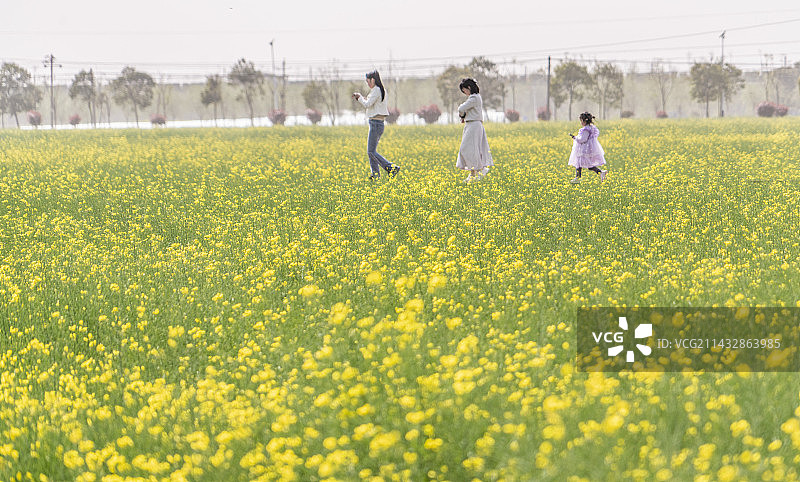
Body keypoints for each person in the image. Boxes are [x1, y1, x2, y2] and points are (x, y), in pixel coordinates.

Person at [352, 71, 400, 180]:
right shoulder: (381, 90)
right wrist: (362, 97)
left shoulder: (376, 90)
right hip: (378, 124)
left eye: (368, 81)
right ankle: (375, 175)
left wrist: (359, 97)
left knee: (371, 151)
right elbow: (371, 103)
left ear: (373, 80)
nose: (367, 84)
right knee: (371, 151)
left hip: (375, 124)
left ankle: (391, 167)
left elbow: (367, 104)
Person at [456, 78, 494, 183]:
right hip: (471, 125)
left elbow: (461, 108)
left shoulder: (474, 98)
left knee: (467, 149)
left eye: (464, 90)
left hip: (473, 125)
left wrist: (462, 114)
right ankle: (472, 174)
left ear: (469, 87)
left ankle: (481, 169)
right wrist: (463, 115)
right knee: (471, 149)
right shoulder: (475, 97)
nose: (465, 93)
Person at [568, 112, 608, 183]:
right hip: (588, 148)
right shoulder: (591, 128)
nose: (581, 123)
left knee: (579, 163)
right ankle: (601, 172)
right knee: (587, 165)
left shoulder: (586, 129)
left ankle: (577, 178)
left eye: (581, 121)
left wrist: (575, 138)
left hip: (584, 149)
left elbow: (583, 139)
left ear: (584, 121)